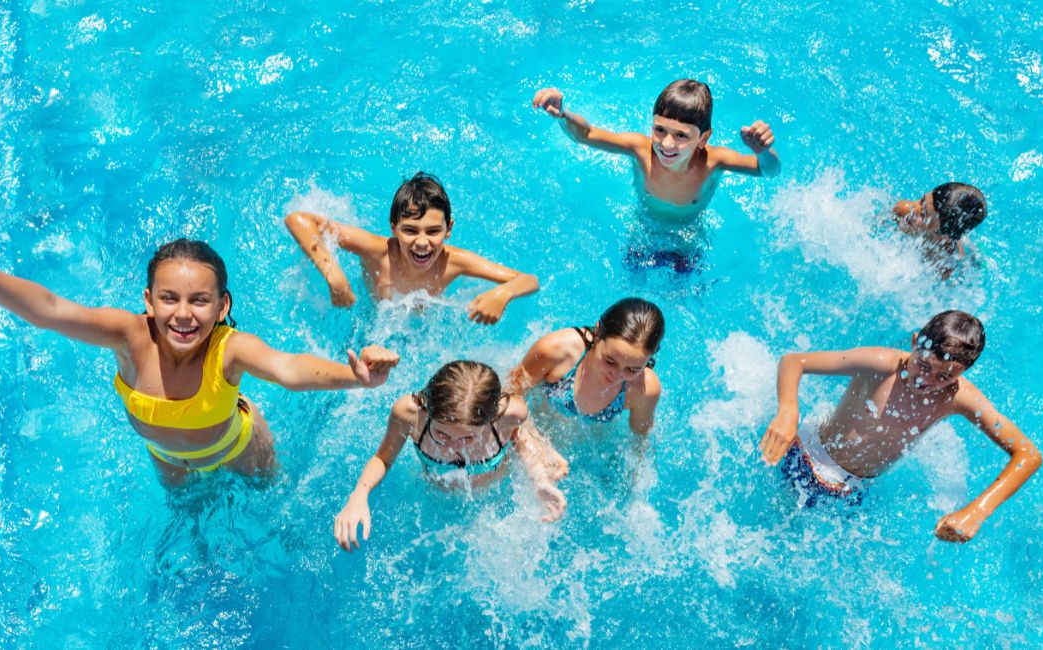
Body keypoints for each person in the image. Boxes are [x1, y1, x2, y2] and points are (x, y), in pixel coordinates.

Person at [0, 194, 399, 487]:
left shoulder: (227, 348)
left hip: (239, 447)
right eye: (169, 298)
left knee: (270, 506)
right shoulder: (130, 337)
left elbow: (288, 369)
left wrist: (355, 378)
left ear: (222, 307)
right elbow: (49, 310)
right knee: (185, 522)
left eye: (200, 301)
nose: (183, 313)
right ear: (149, 301)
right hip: (168, 457)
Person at [758, 310, 1041, 542]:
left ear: (963, 373)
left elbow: (1028, 455)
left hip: (853, 489)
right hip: (807, 455)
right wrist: (787, 410)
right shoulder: (881, 364)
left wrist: (978, 511)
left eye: (945, 376)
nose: (927, 381)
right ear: (915, 342)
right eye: (924, 365)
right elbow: (795, 361)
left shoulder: (958, 397)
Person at [531, 79, 780, 271]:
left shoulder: (714, 162)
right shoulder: (640, 149)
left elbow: (767, 171)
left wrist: (764, 152)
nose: (667, 144)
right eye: (660, 130)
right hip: (644, 230)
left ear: (703, 138)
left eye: (682, 135)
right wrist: (563, 114)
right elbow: (586, 135)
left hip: (687, 238)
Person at [333, 361, 566, 552]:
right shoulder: (409, 414)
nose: (454, 446)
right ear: (428, 409)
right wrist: (360, 493)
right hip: (437, 495)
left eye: (468, 438)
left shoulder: (511, 414)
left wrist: (539, 480)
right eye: (441, 434)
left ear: (492, 419)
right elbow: (383, 458)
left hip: (495, 498)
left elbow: (520, 439)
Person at [284, 172, 539, 325]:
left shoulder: (455, 261)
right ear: (394, 227)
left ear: (448, 229)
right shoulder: (378, 251)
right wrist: (333, 275)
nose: (421, 242)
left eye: (433, 231)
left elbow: (529, 280)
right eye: (410, 230)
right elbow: (298, 220)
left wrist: (503, 294)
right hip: (371, 319)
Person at [507, 298, 664, 479]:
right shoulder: (556, 351)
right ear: (597, 333)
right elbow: (507, 398)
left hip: (591, 447)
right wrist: (535, 447)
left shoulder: (645, 389)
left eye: (632, 369)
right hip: (539, 424)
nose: (616, 375)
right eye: (610, 361)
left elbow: (639, 442)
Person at [891, 182, 986, 279]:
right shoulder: (903, 209)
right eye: (921, 201)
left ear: (945, 236)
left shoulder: (946, 267)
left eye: (924, 214)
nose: (914, 209)